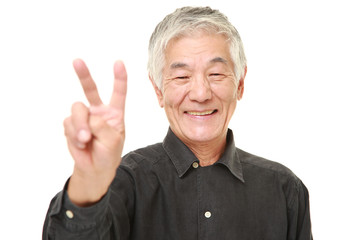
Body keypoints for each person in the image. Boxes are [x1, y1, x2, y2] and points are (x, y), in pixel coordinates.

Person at [43, 6, 312, 240]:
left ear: (240, 83)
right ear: (159, 90)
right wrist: (89, 179)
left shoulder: (285, 189)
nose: (201, 93)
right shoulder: (124, 182)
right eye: (182, 77)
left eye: (216, 73)